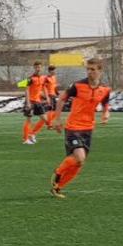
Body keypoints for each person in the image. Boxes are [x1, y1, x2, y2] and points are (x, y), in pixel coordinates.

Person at [48, 58, 111, 198]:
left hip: (88, 129)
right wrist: (57, 119)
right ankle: (57, 173)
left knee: (79, 163)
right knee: (79, 156)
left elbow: (106, 103)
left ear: (100, 71)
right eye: (88, 69)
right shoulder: (78, 86)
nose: (89, 72)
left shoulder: (105, 89)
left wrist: (106, 113)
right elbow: (62, 99)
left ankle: (57, 187)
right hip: (73, 127)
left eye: (93, 69)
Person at [22, 60, 50, 145]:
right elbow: (26, 90)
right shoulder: (30, 78)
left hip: (38, 101)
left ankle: (32, 134)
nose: (38, 68)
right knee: (29, 119)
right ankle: (26, 139)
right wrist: (28, 102)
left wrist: (47, 97)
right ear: (34, 68)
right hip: (30, 101)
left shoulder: (43, 78)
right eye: (37, 67)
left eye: (39, 67)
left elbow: (44, 87)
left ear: (41, 68)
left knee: (45, 119)